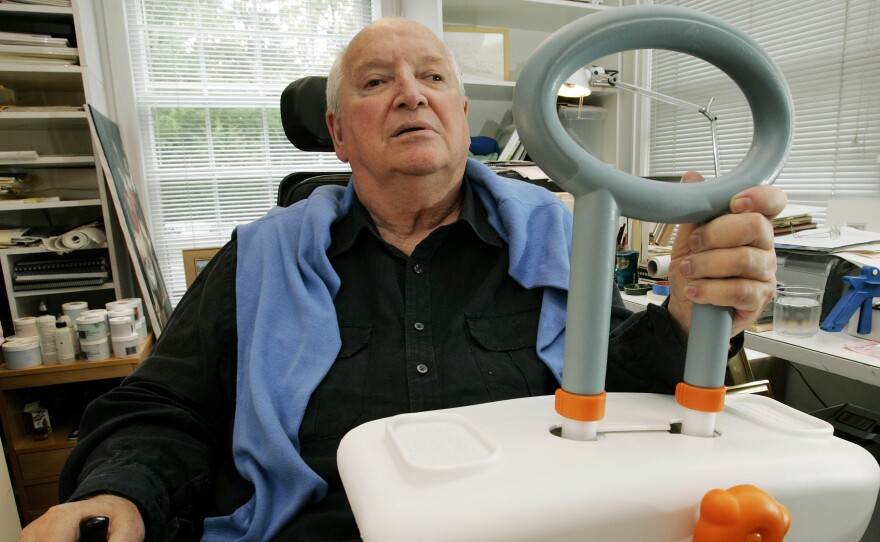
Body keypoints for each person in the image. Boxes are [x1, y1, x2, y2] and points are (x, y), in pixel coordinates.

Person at [21, 16, 785, 542]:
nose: (411, 93)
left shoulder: (561, 239)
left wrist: (690, 309)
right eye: (376, 81)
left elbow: (617, 387)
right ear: (340, 135)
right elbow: (161, 408)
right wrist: (117, 492)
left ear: (460, 110)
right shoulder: (259, 257)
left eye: (431, 77)